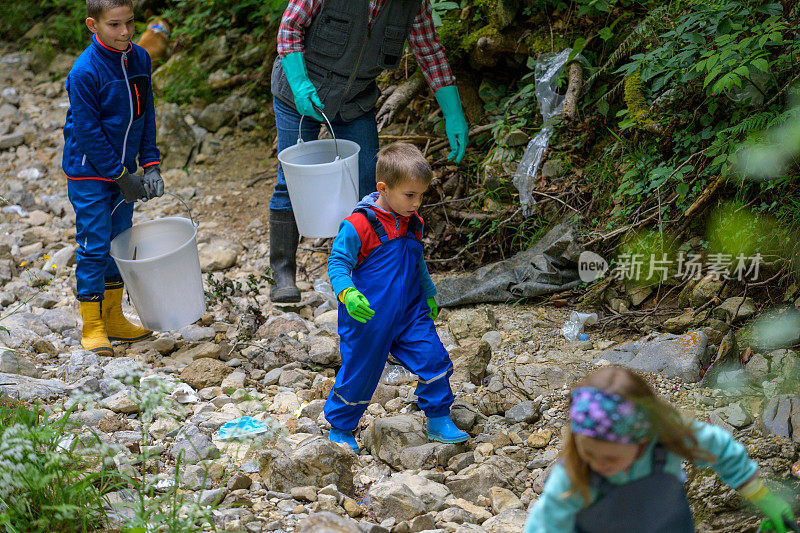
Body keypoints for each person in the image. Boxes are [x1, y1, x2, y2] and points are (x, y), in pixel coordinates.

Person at [268, 0, 470, 303]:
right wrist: (298, 84)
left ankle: (366, 275)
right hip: (299, 92)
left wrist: (453, 111)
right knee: (290, 182)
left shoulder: (414, 4)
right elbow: (289, 28)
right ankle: (283, 275)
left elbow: (429, 52)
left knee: (368, 186)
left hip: (355, 102)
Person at [524, 365, 797, 533]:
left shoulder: (669, 439)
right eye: (588, 453)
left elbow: (723, 450)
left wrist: (763, 498)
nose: (598, 464)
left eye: (609, 457)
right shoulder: (572, 477)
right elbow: (546, 526)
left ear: (642, 438)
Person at [323, 142, 468, 452]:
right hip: (368, 315)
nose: (416, 203)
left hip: (409, 312)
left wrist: (429, 294)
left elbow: (416, 261)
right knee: (361, 372)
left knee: (434, 358)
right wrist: (347, 293)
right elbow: (337, 262)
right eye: (410, 195)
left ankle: (438, 417)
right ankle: (341, 426)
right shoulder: (360, 224)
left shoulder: (412, 221)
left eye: (421, 195)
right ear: (383, 189)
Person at [62, 0, 164, 355]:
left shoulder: (139, 59)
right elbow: (88, 132)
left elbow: (145, 113)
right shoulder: (85, 71)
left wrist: (150, 162)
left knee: (120, 241)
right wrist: (121, 175)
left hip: (125, 171)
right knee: (94, 242)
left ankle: (114, 316)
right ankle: (91, 325)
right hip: (89, 172)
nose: (124, 33)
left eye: (130, 23)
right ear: (93, 25)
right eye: (114, 25)